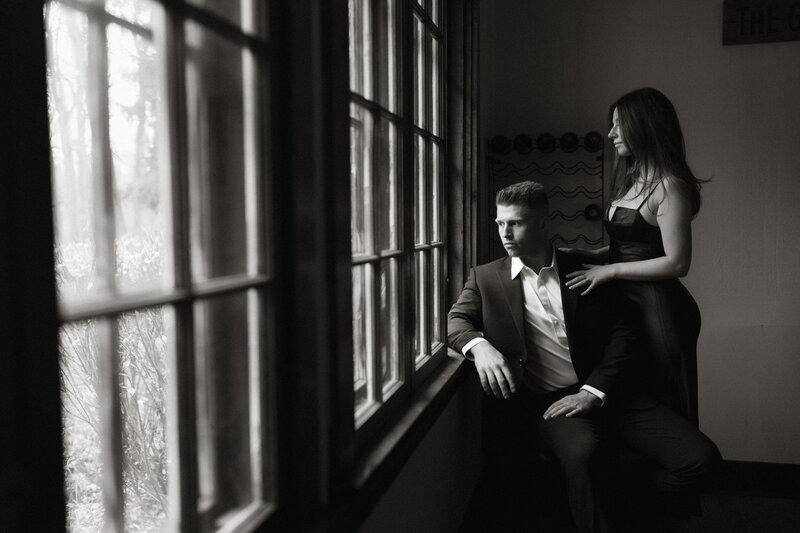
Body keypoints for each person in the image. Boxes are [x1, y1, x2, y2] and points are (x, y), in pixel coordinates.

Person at [448, 181, 720, 533]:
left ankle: (631, 505)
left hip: (611, 393)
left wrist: (593, 391)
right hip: (554, 406)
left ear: (545, 224)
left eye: (515, 223)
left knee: (702, 460)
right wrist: (479, 347)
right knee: (582, 456)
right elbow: (457, 322)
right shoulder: (485, 278)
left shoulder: (585, 270)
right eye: (500, 223)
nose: (505, 233)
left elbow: (625, 335)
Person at [564, 87, 705, 423]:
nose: (611, 133)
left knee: (668, 402)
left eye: (619, 125)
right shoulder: (633, 178)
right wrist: (594, 253)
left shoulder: (670, 186)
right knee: (634, 400)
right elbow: (638, 243)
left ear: (645, 125)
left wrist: (609, 271)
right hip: (629, 304)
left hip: (661, 311)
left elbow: (677, 262)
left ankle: (687, 470)